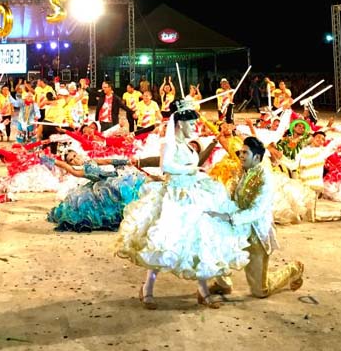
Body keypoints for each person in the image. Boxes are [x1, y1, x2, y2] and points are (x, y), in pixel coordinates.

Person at [116, 96, 249, 309]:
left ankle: (203, 291)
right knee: (165, 243)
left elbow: (194, 163)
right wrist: (191, 170)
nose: (194, 126)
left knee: (200, 242)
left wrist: (198, 171)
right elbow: (166, 167)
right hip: (175, 197)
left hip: (195, 195)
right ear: (179, 123)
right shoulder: (169, 144)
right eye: (191, 123)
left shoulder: (187, 146)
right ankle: (147, 288)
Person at [210, 136, 305, 298]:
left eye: (245, 153)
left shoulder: (266, 178)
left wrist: (230, 218)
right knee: (214, 245)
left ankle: (294, 269)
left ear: (257, 157)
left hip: (256, 234)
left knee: (260, 291)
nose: (241, 155)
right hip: (236, 229)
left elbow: (257, 211)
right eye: (241, 152)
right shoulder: (241, 171)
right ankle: (222, 283)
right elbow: (231, 196)